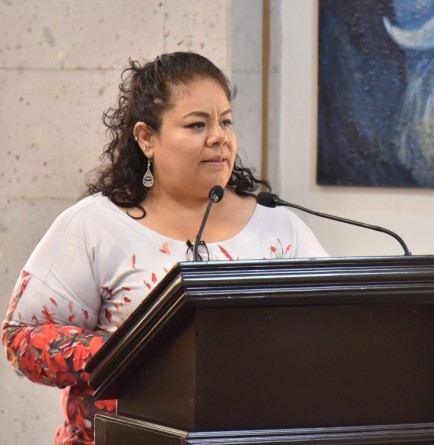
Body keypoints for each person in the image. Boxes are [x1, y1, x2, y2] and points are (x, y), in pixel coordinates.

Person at [1, 51, 328, 445]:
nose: (219, 137)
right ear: (146, 138)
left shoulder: (278, 226)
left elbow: (332, 332)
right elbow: (22, 337)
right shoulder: (97, 224)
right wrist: (130, 353)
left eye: (226, 121)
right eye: (196, 124)